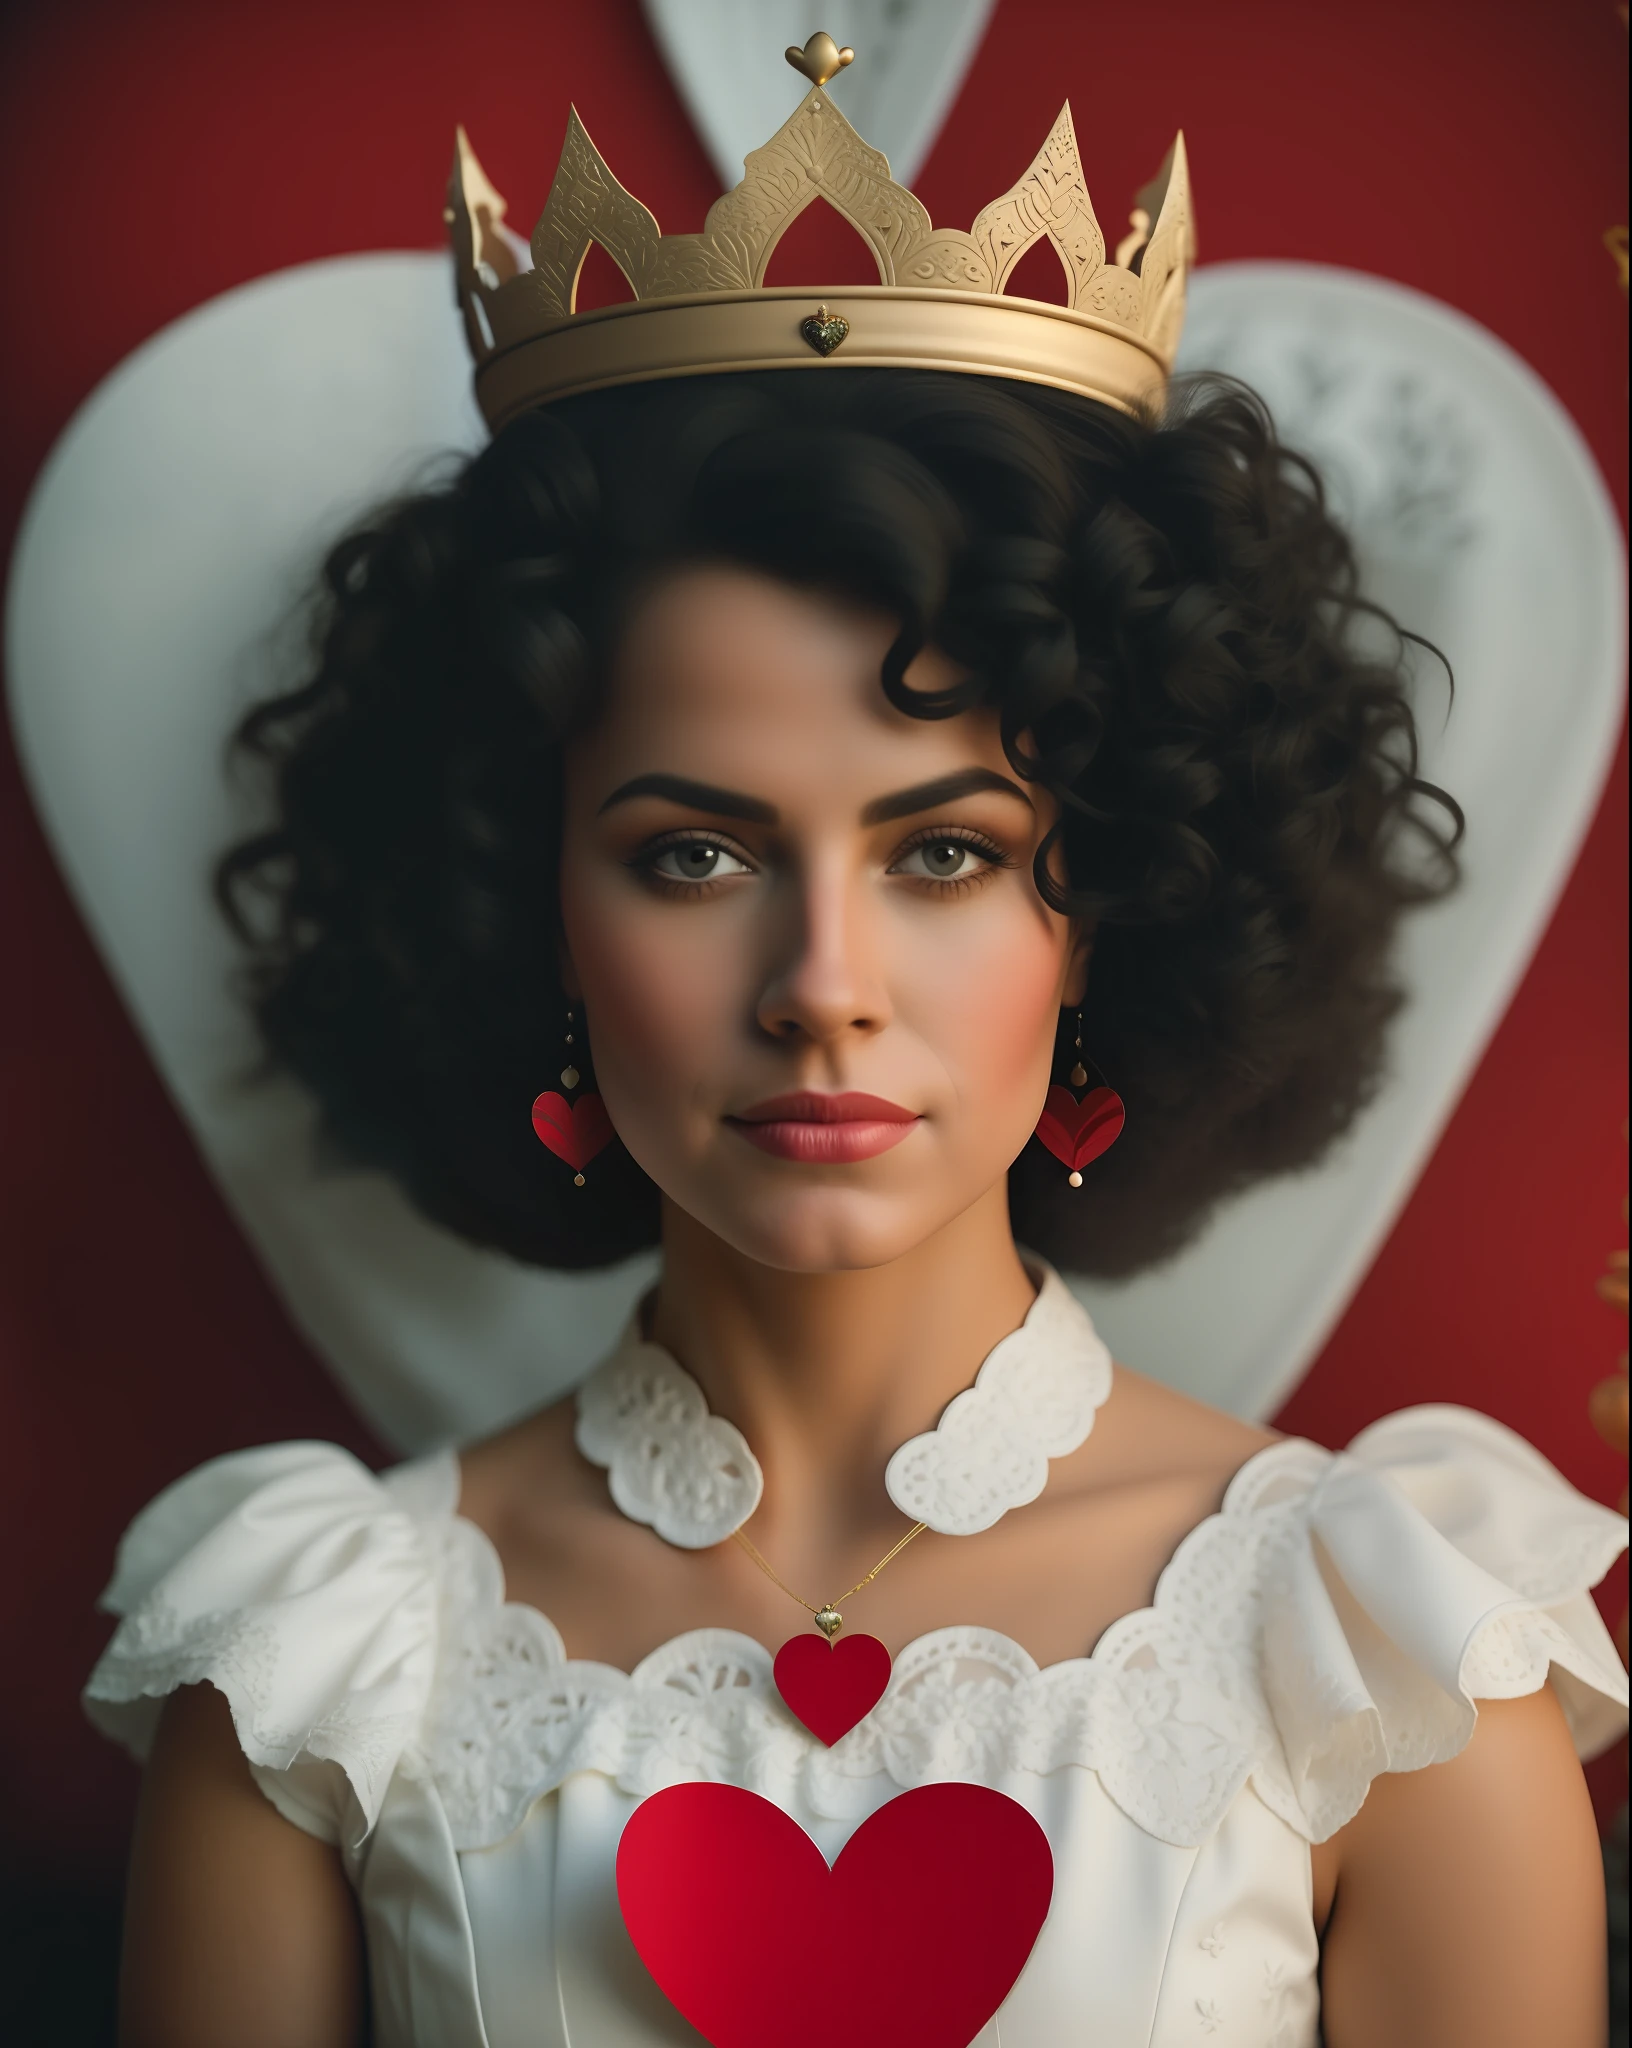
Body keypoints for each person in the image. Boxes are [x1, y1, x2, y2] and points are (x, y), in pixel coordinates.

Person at [83, 44, 1627, 2048]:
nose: (822, 976)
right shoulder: (320, 1646)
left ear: (1109, 918)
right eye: (696, 848)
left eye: (947, 851)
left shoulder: (1375, 1636)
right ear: (526, 899)